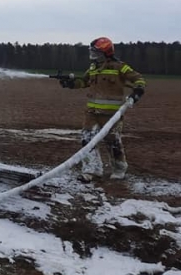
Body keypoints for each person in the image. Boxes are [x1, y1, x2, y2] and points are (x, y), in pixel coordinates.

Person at [58, 37, 146, 181]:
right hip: (91, 113)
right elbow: (84, 82)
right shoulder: (93, 68)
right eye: (92, 51)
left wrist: (137, 92)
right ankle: (92, 170)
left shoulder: (120, 67)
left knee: (112, 141)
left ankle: (119, 168)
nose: (92, 54)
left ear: (105, 52)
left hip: (112, 114)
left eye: (96, 51)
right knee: (87, 140)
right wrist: (70, 84)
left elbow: (138, 79)